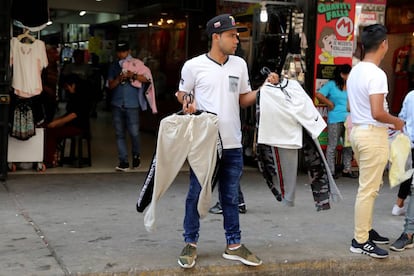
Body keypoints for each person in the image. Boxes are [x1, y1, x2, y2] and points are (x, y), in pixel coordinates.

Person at [175, 14, 279, 269]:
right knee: (195, 194)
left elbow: (243, 99)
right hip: (204, 143)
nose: (237, 39)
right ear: (216, 37)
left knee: (230, 196)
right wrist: (187, 102)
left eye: (237, 35)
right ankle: (190, 243)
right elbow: (181, 92)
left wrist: (263, 90)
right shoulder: (193, 65)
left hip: (232, 141)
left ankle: (233, 244)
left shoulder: (239, 65)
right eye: (232, 35)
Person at [347, 23, 405, 259]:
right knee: (368, 190)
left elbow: (357, 107)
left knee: (369, 187)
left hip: (358, 133)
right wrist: (397, 122)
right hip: (372, 134)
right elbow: (377, 112)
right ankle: (360, 241)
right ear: (384, 44)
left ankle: (366, 231)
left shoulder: (356, 71)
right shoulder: (377, 74)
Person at [107, 41, 153, 171]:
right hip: (117, 103)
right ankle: (123, 161)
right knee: (119, 133)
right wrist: (119, 78)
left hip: (132, 104)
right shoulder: (114, 66)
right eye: (120, 51)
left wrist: (132, 75)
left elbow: (147, 78)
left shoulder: (136, 64)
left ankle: (136, 155)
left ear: (129, 51)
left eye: (124, 51)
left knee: (134, 132)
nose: (122, 54)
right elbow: (110, 85)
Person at [316, 63, 357, 179]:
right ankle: (330, 171)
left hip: (349, 119)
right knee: (332, 145)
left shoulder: (352, 85)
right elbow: (318, 94)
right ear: (342, 75)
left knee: (348, 145)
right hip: (335, 118)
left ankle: (347, 169)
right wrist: (329, 103)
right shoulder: (331, 85)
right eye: (348, 73)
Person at [43, 74, 92, 168]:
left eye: (66, 87)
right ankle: (54, 156)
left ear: (73, 85)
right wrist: (57, 121)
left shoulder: (81, 96)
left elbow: (73, 115)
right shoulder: (74, 95)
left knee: (51, 132)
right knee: (52, 130)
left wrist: (57, 123)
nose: (66, 89)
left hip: (78, 126)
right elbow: (68, 113)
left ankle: (49, 160)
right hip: (75, 124)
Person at [391, 89, 414, 216]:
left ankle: (399, 204)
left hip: (409, 139)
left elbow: (401, 118)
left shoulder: (410, 95)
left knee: (407, 174)